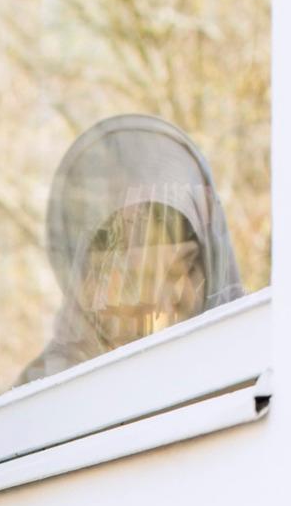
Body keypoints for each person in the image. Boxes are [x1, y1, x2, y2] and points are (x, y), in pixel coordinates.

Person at [17, 112, 244, 385]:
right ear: (85, 285)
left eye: (182, 268)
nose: (166, 299)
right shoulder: (39, 403)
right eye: (137, 278)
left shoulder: (255, 364)